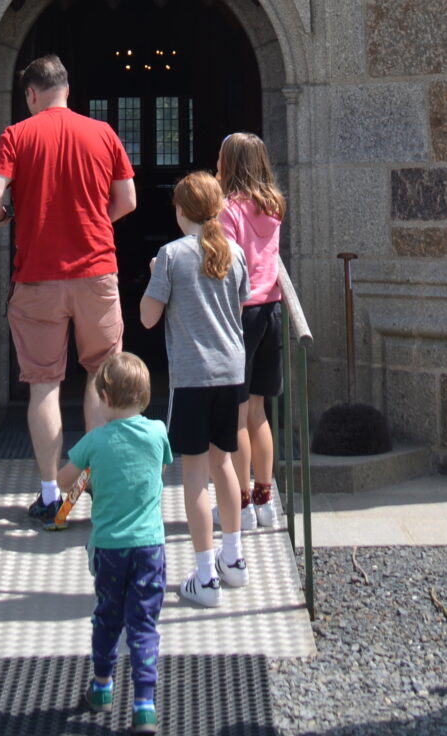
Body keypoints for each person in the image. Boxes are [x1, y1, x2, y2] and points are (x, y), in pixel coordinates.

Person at [0, 53, 137, 526]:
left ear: (31, 94)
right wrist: (90, 223)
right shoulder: (103, 133)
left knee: (43, 385)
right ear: (67, 89)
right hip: (95, 272)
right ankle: (96, 486)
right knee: (101, 377)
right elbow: (128, 200)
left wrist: (4, 216)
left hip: (38, 277)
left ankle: (50, 496)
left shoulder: (17, 135)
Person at [140, 169, 250, 608]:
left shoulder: (170, 255)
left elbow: (148, 316)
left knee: (193, 475)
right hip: (232, 371)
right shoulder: (236, 253)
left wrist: (153, 275)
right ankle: (234, 559)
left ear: (180, 210)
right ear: (219, 208)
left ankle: (205, 577)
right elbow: (238, 304)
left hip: (192, 376)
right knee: (223, 465)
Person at [57, 352, 169, 732]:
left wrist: (86, 471)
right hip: (150, 546)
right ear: (146, 396)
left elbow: (61, 481)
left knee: (107, 617)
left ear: (104, 399)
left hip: (109, 547)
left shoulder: (94, 441)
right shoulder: (157, 433)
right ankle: (144, 705)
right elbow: (160, 466)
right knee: (143, 624)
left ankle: (102, 686)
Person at [216, 130, 285, 533]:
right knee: (259, 411)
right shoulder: (272, 206)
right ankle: (264, 497)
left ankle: (240, 502)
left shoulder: (228, 211)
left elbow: (226, 266)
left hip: (241, 315)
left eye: (222, 158)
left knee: (236, 415)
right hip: (271, 310)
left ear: (232, 164)